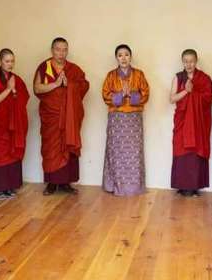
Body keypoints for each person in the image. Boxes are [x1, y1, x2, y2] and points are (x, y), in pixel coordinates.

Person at [33, 37, 90, 196]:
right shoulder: (44, 67)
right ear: (52, 50)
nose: (61, 53)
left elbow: (85, 86)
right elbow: (37, 88)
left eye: (64, 49)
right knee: (51, 147)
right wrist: (56, 84)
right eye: (58, 49)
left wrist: (70, 85)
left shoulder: (74, 69)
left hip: (69, 117)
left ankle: (66, 183)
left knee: (68, 145)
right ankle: (51, 183)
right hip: (51, 116)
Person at [101, 44, 150, 197]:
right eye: (120, 55)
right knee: (116, 151)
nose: (123, 58)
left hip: (133, 119)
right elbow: (105, 95)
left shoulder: (139, 74)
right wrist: (120, 95)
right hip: (117, 118)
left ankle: (134, 187)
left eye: (126, 55)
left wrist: (131, 95)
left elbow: (146, 94)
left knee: (134, 152)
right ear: (116, 58)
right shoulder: (111, 75)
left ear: (131, 57)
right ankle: (114, 185)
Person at [0, 49, 29, 199]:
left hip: (13, 124)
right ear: (0, 61)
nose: (10, 64)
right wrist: (9, 90)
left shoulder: (17, 79)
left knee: (12, 153)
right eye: (7, 61)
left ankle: (9, 186)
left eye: (12, 61)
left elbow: (24, 99)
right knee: (0, 154)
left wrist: (16, 94)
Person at [170, 49, 212, 197]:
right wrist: (186, 91)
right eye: (186, 61)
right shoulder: (178, 77)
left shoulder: (204, 78)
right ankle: (181, 186)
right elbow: (172, 98)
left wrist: (194, 93)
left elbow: (208, 99)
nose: (189, 64)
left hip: (198, 121)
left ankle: (195, 186)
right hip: (182, 121)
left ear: (196, 61)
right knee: (181, 150)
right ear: (182, 62)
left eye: (191, 61)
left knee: (195, 153)